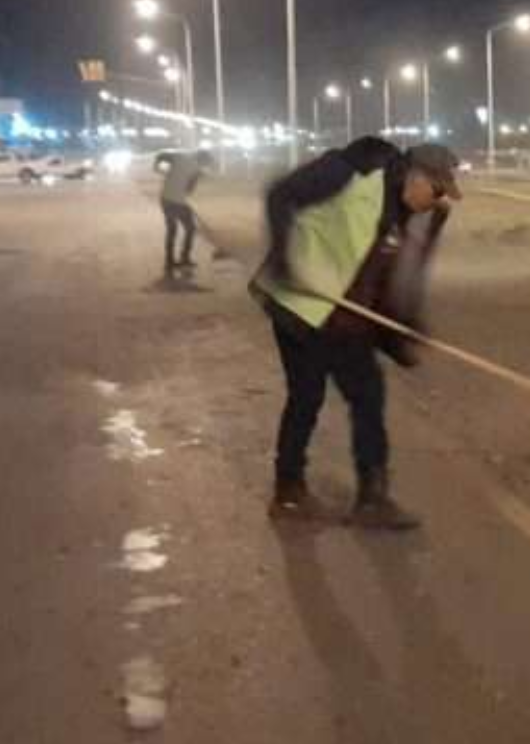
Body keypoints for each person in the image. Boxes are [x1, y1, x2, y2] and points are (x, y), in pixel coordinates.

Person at [250, 138, 462, 528]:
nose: (437, 202)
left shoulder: (398, 216)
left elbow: (378, 281)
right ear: (416, 176)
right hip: (302, 304)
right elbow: (279, 194)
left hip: (340, 317)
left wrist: (398, 336)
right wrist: (283, 257)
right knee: (314, 395)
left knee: (358, 394)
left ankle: (356, 495)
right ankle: (297, 493)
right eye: (437, 191)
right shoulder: (352, 173)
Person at [157, 149, 210, 276]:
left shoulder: (179, 157)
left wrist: (159, 169)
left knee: (172, 230)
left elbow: (161, 155)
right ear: (202, 161)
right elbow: (189, 190)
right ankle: (184, 258)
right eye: (204, 163)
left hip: (165, 198)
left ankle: (170, 261)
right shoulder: (198, 171)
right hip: (177, 201)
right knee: (190, 229)